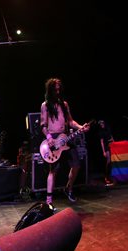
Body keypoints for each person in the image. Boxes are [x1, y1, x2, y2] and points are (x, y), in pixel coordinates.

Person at [40, 78, 90, 206]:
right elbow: (43, 125)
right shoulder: (45, 105)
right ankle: (49, 200)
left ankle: (68, 188)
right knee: (53, 171)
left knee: (76, 165)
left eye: (59, 89)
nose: (57, 91)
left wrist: (80, 127)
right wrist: (49, 137)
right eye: (55, 89)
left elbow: (71, 121)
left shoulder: (64, 104)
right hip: (53, 140)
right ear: (50, 90)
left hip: (66, 137)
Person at [98, 120, 114, 186]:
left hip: (111, 145)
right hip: (106, 146)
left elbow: (111, 136)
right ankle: (106, 176)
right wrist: (103, 151)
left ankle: (111, 175)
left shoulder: (108, 128)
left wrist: (114, 142)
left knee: (112, 160)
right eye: (100, 124)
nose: (101, 124)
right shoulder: (100, 132)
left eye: (102, 123)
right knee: (108, 161)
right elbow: (101, 142)